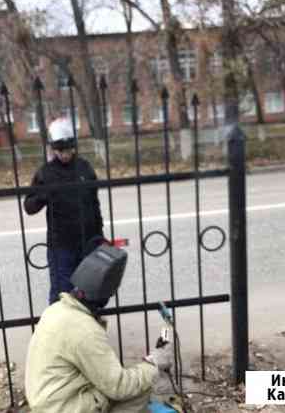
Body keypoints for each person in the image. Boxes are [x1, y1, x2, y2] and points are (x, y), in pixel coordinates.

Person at [25, 244, 173, 413]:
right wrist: (154, 364)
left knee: (128, 377)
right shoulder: (85, 330)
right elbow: (119, 387)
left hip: (46, 401)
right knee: (139, 387)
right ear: (107, 293)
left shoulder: (56, 309)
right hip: (64, 407)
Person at [24, 117, 104, 304]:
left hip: (87, 241)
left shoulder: (84, 168)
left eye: (68, 149)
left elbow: (94, 204)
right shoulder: (46, 172)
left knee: (89, 291)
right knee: (62, 294)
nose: (65, 154)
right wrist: (45, 194)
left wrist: (99, 236)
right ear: (53, 149)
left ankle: (88, 321)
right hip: (61, 245)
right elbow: (29, 206)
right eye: (60, 150)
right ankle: (59, 322)